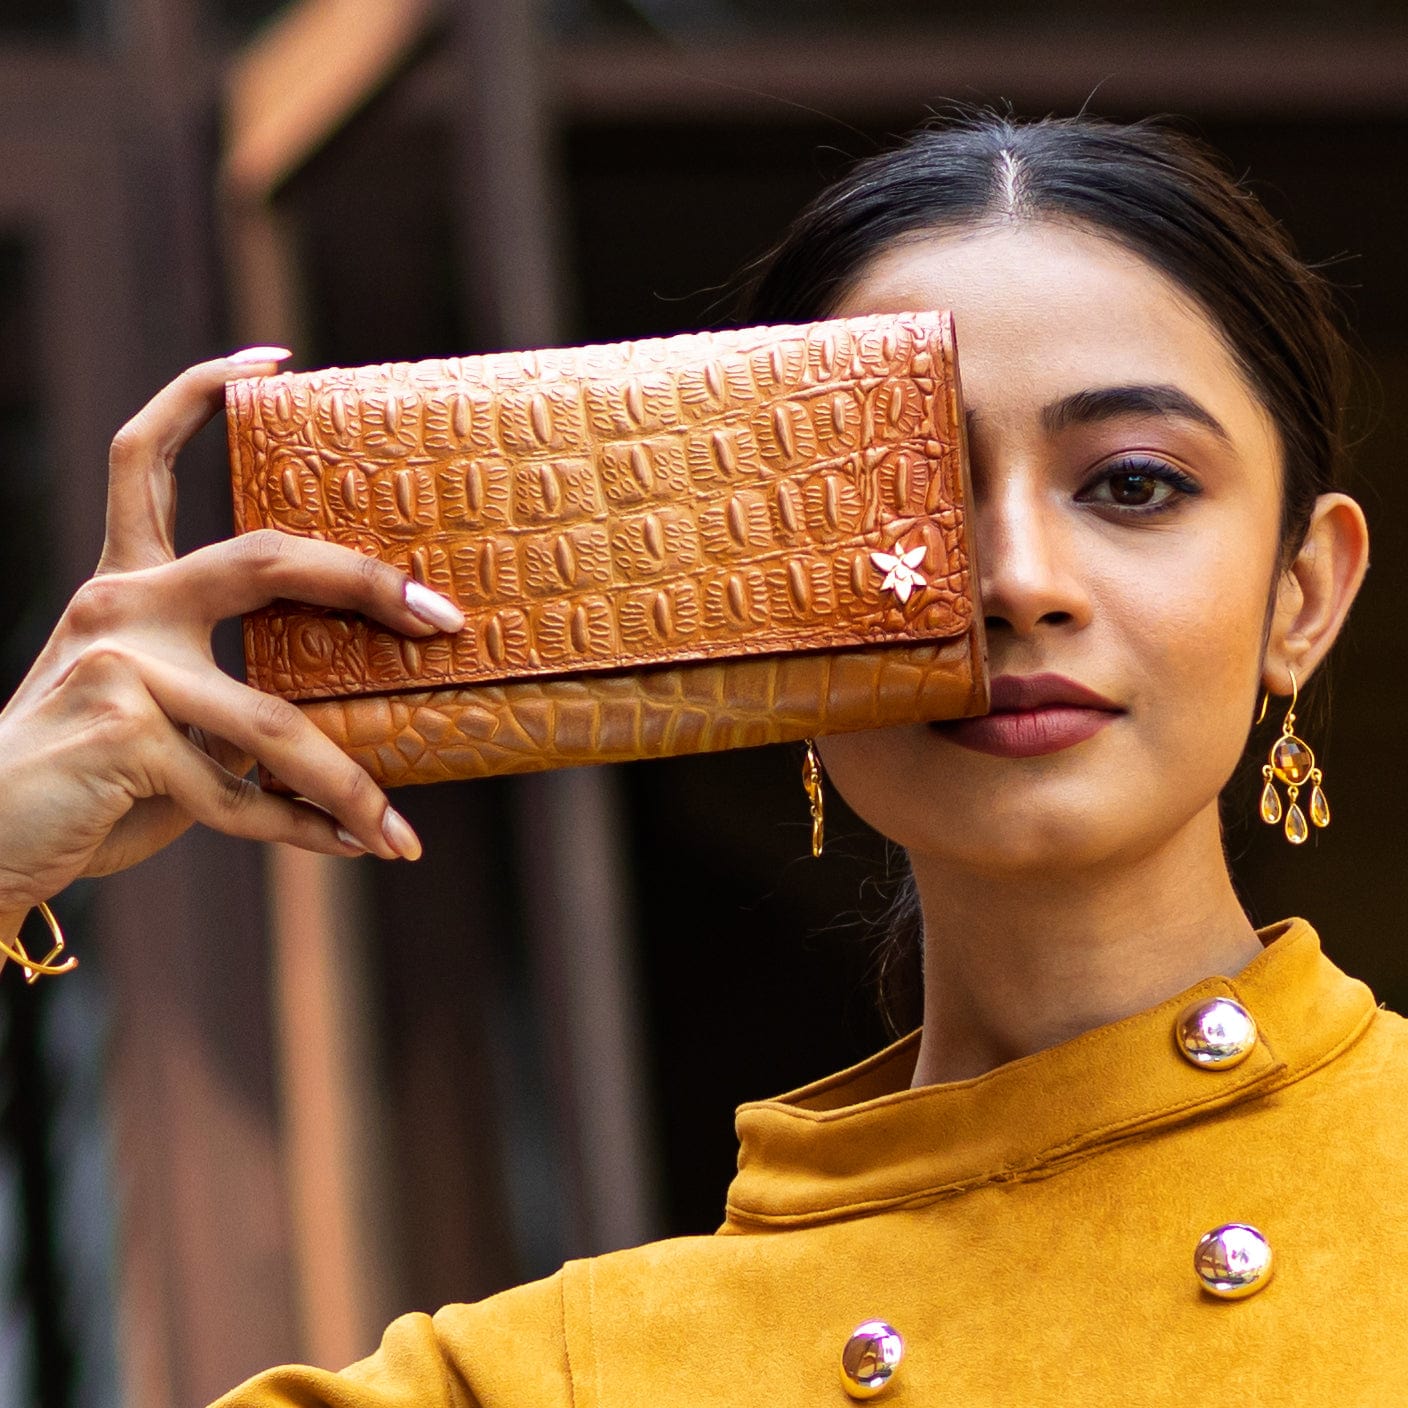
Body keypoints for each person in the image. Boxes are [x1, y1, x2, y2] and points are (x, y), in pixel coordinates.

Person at [1, 109, 1403, 1404]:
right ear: (754, 575)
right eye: (899, 488)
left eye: (1133, 486)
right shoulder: (571, 1378)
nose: (1020, 579)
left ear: (1304, 596)